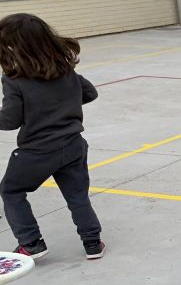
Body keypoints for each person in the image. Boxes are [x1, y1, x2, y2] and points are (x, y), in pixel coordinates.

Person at [0, 13, 104, 260]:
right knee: (77, 195)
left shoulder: (15, 79)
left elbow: (10, 120)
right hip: (73, 145)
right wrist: (62, 106)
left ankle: (31, 242)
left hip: (37, 151)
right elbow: (90, 93)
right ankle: (92, 243)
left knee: (11, 191)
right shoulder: (64, 69)